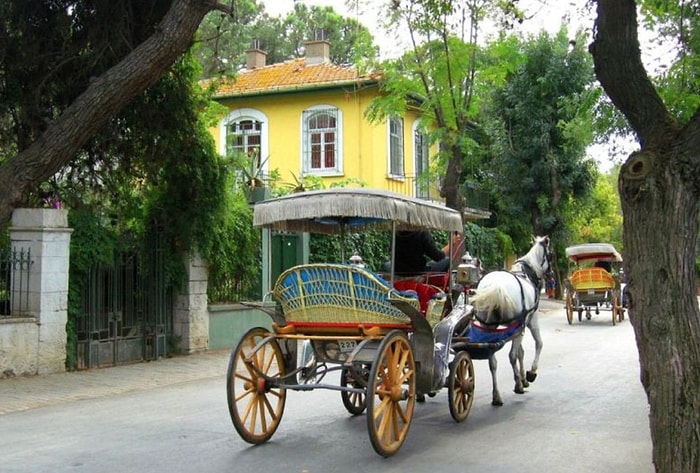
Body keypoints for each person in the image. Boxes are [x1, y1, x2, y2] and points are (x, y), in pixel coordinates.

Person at [391, 230, 463, 275]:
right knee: (447, 260)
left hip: (398, 270)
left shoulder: (396, 233)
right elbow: (438, 257)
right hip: (418, 272)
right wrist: (452, 243)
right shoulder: (422, 233)